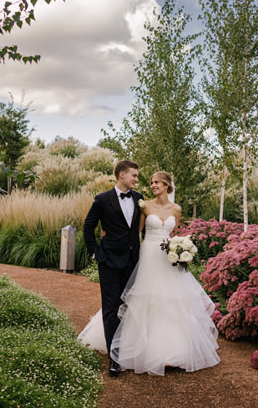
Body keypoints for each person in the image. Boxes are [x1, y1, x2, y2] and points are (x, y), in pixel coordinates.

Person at [78, 171, 220, 376]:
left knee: (171, 301)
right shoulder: (145, 205)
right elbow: (135, 232)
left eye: (157, 183)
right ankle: (134, 348)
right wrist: (110, 237)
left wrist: (182, 249)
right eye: (152, 182)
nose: (153, 185)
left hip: (167, 258)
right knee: (144, 299)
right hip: (147, 256)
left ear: (167, 185)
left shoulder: (176, 209)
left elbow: (174, 234)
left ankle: (172, 351)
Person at [82, 160, 143, 377]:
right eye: (134, 175)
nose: (136, 179)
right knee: (110, 308)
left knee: (128, 306)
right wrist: (96, 252)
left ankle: (127, 349)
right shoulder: (102, 200)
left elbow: (137, 229)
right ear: (121, 175)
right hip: (108, 262)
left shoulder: (139, 199)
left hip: (132, 261)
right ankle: (114, 359)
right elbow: (88, 227)